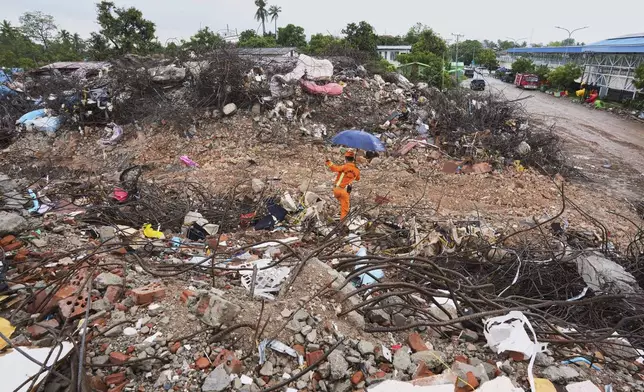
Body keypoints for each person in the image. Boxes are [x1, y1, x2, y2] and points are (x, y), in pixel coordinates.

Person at [325, 151, 361, 221]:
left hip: (336, 190)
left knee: (342, 203)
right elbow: (357, 178)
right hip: (344, 192)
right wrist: (355, 168)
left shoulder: (344, 167)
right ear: (353, 159)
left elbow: (333, 168)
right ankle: (342, 226)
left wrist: (328, 161)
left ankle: (339, 214)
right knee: (345, 211)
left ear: (346, 159)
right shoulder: (357, 170)